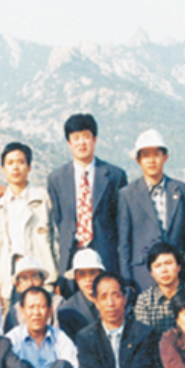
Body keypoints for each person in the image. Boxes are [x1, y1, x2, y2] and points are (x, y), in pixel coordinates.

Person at [47, 114, 127, 294]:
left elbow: (120, 222)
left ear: (95, 139)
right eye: (76, 138)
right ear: (69, 142)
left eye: (86, 136)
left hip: (104, 255)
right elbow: (60, 219)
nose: (81, 143)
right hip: (72, 254)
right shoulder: (56, 179)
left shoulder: (114, 175)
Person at [117, 129, 185, 293]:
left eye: (156, 154)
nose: (151, 160)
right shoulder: (127, 195)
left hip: (179, 275)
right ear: (138, 160)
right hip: (142, 277)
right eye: (146, 155)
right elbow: (124, 244)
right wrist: (127, 281)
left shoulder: (184, 191)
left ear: (165, 157)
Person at [0, 142, 58, 307]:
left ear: (29, 167)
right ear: (3, 168)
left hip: (40, 273)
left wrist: (56, 279)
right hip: (11, 276)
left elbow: (55, 240)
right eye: (10, 163)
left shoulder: (43, 199)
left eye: (21, 162)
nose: (15, 167)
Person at [134, 242, 185, 335]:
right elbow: (143, 338)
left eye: (168, 263)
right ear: (151, 273)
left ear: (178, 267)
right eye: (158, 266)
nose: (164, 270)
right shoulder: (144, 301)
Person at [2, 256, 64, 332]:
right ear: (18, 286)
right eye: (24, 278)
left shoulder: (58, 303)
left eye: (34, 277)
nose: (30, 283)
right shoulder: (13, 313)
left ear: (42, 281)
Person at [57, 248, 103, 337]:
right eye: (82, 274)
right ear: (76, 278)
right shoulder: (66, 311)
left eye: (92, 272)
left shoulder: (114, 300)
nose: (88, 279)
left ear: (100, 274)